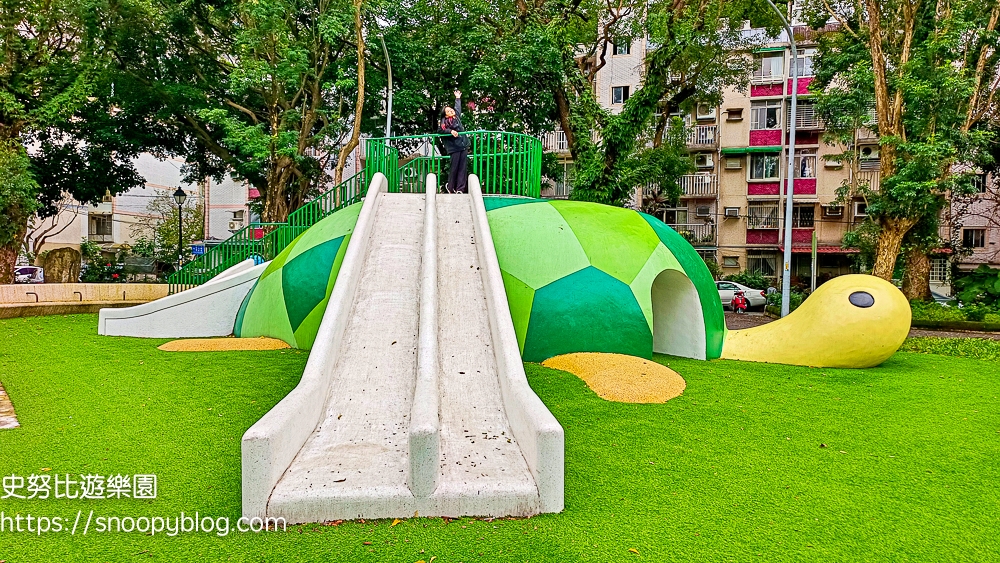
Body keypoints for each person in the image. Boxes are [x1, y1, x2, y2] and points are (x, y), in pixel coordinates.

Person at [440, 89, 471, 193]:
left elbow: (458, 107)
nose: (451, 111)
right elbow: (441, 130)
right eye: (448, 111)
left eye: (451, 109)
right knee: (454, 168)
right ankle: (450, 186)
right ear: (446, 115)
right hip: (454, 147)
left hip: (463, 145)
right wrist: (450, 131)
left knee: (462, 168)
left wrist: (458, 97)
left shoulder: (456, 117)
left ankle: (460, 189)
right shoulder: (444, 121)